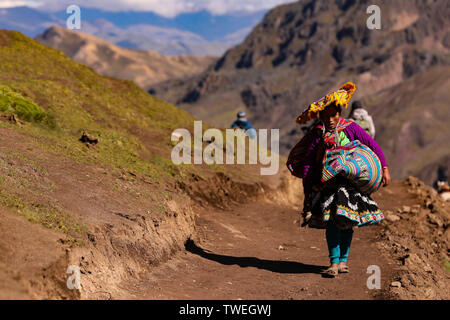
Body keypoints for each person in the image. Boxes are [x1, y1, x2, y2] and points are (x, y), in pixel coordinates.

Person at [286, 82, 391, 278]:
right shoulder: (317, 134)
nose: (330, 120)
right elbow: (309, 164)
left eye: (333, 115)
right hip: (328, 185)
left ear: (339, 114)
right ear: (320, 117)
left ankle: (344, 260)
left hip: (350, 184)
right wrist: (308, 191)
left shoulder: (351, 128)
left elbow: (372, 145)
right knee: (333, 221)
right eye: (325, 116)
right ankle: (334, 263)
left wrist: (384, 167)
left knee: (348, 221)